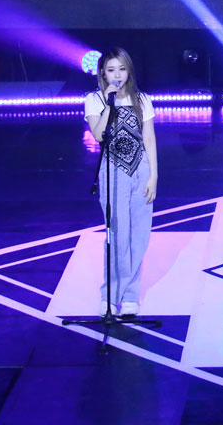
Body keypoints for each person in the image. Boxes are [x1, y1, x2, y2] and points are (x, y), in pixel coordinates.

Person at [84, 47, 158, 317]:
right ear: (103, 73)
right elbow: (99, 135)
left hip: (141, 169)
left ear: (129, 71)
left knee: (139, 234)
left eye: (122, 69)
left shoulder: (142, 99)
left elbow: (149, 138)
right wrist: (109, 103)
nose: (117, 75)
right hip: (112, 173)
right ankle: (111, 296)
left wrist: (154, 175)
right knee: (117, 236)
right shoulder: (94, 100)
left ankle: (130, 296)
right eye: (111, 70)